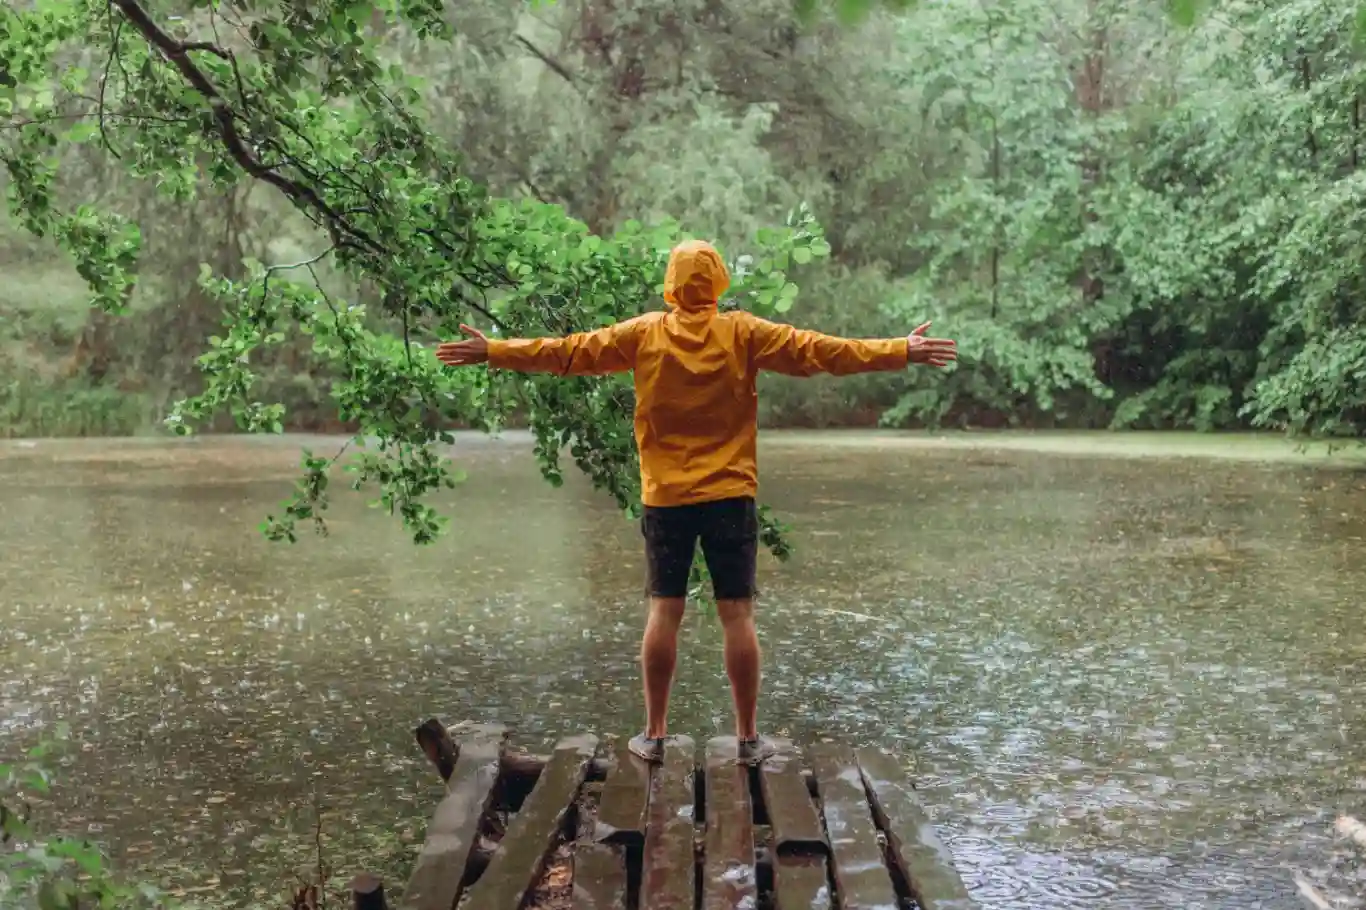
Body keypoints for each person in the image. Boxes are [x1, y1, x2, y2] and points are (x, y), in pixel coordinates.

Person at [436, 239, 956, 765]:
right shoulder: (744, 332)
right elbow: (822, 351)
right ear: (718, 281)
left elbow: (568, 352)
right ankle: (748, 738)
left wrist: (494, 351)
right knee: (737, 615)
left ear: (671, 284)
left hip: (666, 499)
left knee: (665, 610)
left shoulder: (642, 335)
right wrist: (900, 349)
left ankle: (655, 735)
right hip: (731, 495)